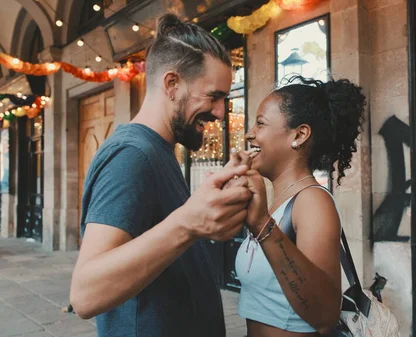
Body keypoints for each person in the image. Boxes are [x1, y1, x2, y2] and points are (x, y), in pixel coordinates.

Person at [69, 14, 252, 337]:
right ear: (171, 84)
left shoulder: (158, 150)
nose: (222, 113)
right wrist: (188, 223)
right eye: (214, 96)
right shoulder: (132, 155)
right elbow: (86, 294)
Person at [234, 75, 367, 337]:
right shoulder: (275, 204)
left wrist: (262, 225)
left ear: (299, 135)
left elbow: (325, 316)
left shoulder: (312, 202)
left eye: (260, 123)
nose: (249, 134)